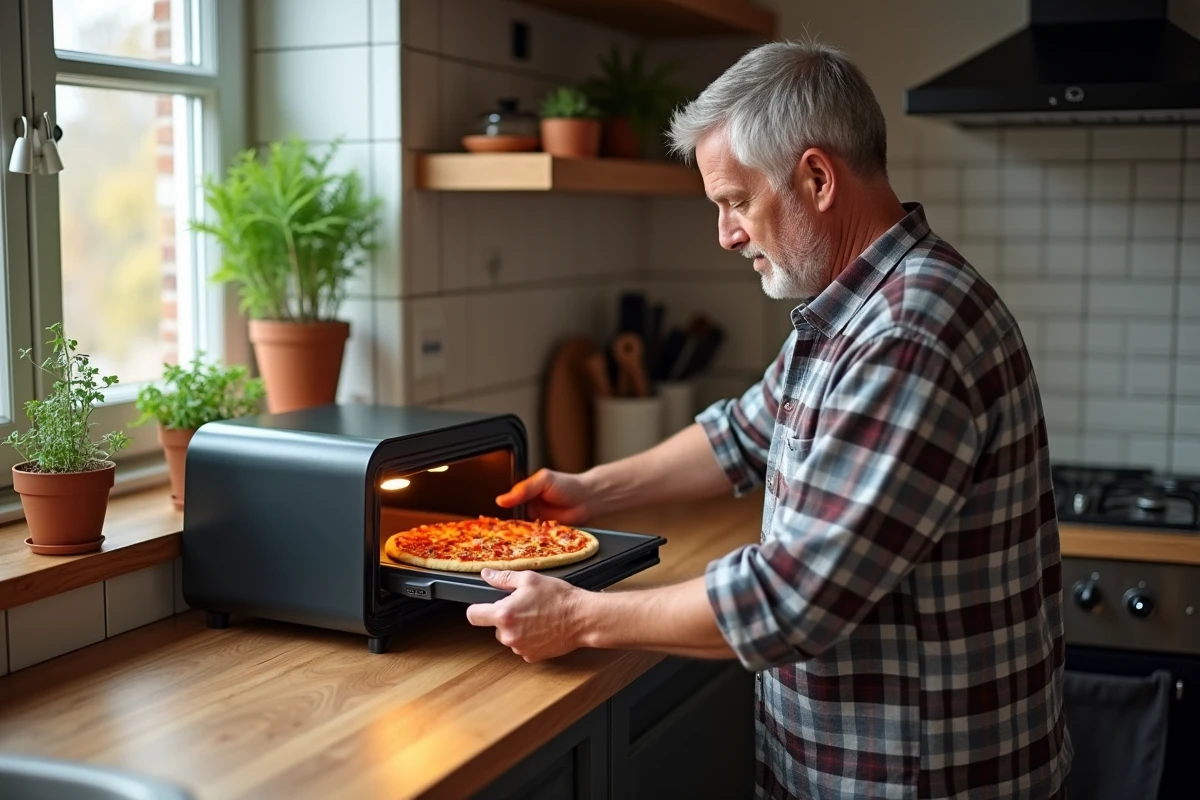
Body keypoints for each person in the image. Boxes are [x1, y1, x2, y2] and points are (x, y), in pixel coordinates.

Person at [466, 40, 1072, 800]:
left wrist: (580, 617)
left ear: (817, 178)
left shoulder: (907, 334)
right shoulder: (855, 311)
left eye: (736, 201)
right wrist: (590, 491)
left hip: (919, 780)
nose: (726, 235)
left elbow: (793, 598)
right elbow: (744, 431)